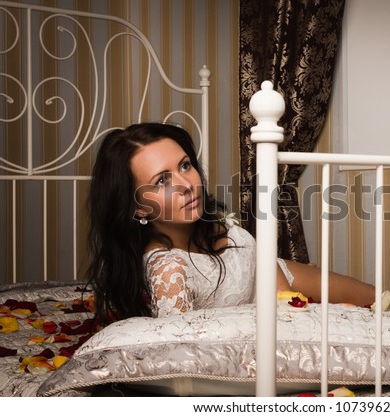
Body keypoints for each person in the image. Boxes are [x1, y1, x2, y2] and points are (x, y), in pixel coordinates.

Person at [86, 122, 375, 325]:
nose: (188, 184)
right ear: (137, 206)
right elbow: (178, 353)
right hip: (265, 308)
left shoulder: (205, 219)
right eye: (162, 180)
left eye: (185, 165)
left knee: (379, 300)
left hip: (273, 276)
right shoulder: (169, 270)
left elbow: (269, 275)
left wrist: (286, 297)